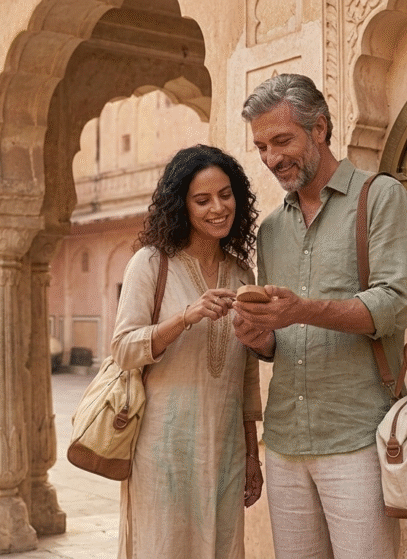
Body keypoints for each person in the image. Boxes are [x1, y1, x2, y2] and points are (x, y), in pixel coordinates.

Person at [232, 73, 407, 559]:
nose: (272, 158)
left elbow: (395, 304)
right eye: (261, 147)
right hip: (286, 440)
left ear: (320, 128)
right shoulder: (272, 230)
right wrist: (258, 336)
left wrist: (303, 310)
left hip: (357, 436)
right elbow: (282, 340)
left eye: (282, 140)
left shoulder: (380, 198)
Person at [111, 144, 263, 559]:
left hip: (226, 452)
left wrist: (252, 455)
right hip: (164, 452)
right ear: (182, 206)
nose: (218, 208)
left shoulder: (240, 273)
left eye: (226, 194)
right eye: (202, 200)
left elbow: (246, 374)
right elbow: (123, 348)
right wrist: (185, 317)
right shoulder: (151, 263)